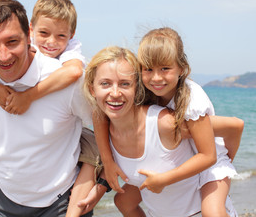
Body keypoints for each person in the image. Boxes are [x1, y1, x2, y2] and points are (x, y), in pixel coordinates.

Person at [0, 0, 107, 217]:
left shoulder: (68, 82)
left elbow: (108, 122)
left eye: (12, 41)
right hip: (2, 199)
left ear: (27, 36)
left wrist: (103, 182)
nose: (3, 55)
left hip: (61, 201)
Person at [98, 27, 243, 216]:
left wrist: (226, 159)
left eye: (165, 69)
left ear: (182, 68)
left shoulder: (191, 100)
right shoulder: (146, 91)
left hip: (208, 161)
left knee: (212, 212)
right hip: (179, 157)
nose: (156, 77)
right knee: (123, 200)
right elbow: (100, 115)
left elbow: (225, 138)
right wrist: (108, 161)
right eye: (148, 69)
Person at [83, 46, 203, 216]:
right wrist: (101, 182)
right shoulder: (107, 129)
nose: (115, 93)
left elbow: (232, 127)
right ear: (92, 90)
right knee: (121, 201)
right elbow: (98, 115)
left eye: (125, 84)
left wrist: (220, 171)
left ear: (137, 88)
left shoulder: (164, 123)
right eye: (105, 84)